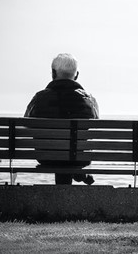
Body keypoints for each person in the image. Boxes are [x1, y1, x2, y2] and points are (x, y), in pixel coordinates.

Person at [25, 53, 99, 185]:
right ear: (76, 75)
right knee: (72, 152)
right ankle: (77, 172)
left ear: (53, 73)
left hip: (46, 157)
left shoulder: (39, 98)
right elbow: (94, 126)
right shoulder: (89, 100)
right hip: (79, 158)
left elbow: (26, 125)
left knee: (61, 153)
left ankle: (73, 177)